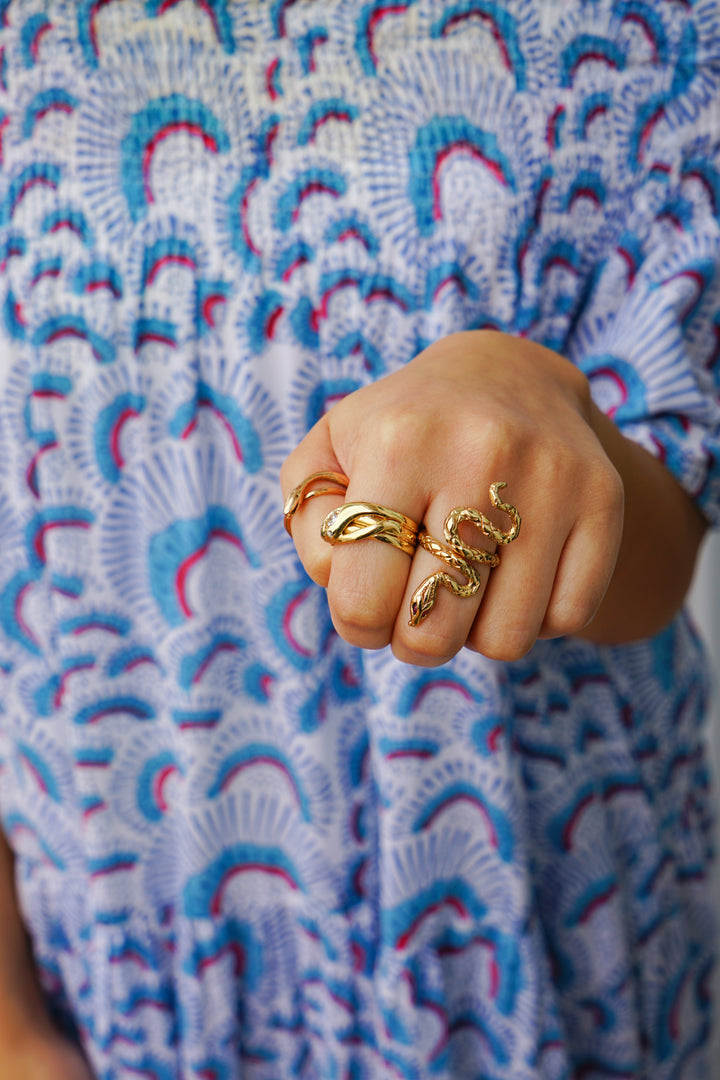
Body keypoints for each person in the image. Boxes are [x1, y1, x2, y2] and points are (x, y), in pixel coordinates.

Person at [0, 0, 718, 1077]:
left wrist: (547, 405)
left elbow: (663, 540)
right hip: (115, 976)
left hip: (531, 953)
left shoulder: (656, 29)